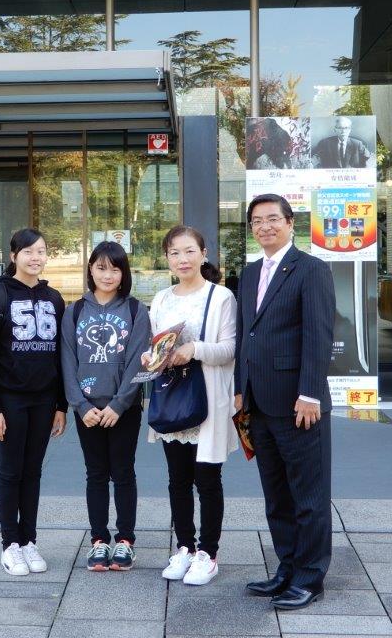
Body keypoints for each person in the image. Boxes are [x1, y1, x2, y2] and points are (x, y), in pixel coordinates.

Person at [235, 193, 335, 611]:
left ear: (290, 223)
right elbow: (245, 334)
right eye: (257, 221)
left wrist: (309, 393)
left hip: (299, 404)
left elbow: (318, 334)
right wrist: (240, 390)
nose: (265, 226)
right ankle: (287, 568)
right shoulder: (249, 273)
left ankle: (309, 578)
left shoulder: (311, 269)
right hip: (259, 404)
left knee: (308, 496)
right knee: (276, 495)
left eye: (273, 218)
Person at [144, 226, 238, 586]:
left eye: (188, 251)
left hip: (207, 398)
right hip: (172, 397)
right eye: (174, 253)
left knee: (208, 479)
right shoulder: (161, 298)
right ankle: (184, 546)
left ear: (203, 253)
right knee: (177, 480)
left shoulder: (221, 297)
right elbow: (154, 344)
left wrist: (194, 349)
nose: (182, 259)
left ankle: (208, 553)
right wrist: (152, 357)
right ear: (166, 258)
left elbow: (230, 348)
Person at [0, 228, 68, 577]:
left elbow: (61, 357)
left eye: (41, 251)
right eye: (28, 251)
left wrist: (61, 406)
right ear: (14, 255)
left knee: (33, 472)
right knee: (11, 472)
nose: (35, 257)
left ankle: (29, 541)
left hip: (44, 401)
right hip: (10, 401)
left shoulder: (54, 299)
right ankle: (10, 545)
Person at [62, 241, 151, 572]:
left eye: (115, 269)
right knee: (96, 473)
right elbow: (67, 361)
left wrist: (119, 403)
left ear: (124, 273)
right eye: (101, 268)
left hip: (123, 409)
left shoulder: (135, 310)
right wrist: (80, 405)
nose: (108, 275)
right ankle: (99, 540)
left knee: (124, 472)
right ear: (90, 270)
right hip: (87, 409)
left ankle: (125, 541)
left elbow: (138, 361)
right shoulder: (74, 311)